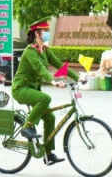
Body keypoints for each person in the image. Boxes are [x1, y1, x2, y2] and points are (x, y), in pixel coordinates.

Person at [12, 18, 79, 166]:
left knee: (50, 118)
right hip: (21, 89)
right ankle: (27, 127)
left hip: (33, 90)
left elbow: (59, 65)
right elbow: (40, 69)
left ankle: (48, 155)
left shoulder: (45, 50)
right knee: (45, 98)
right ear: (37, 33)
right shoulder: (29, 52)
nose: (48, 33)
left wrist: (78, 77)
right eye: (45, 31)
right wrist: (52, 81)